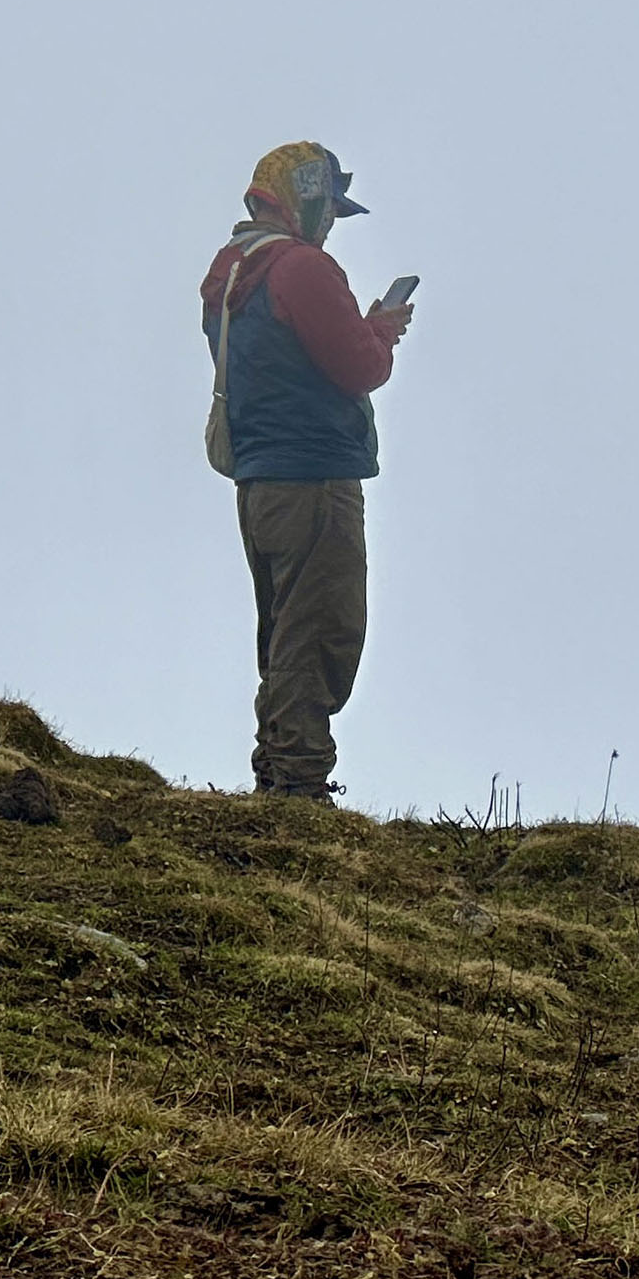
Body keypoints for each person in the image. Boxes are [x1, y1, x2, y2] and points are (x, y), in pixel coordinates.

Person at [199, 142, 412, 798]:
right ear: (308, 197)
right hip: (315, 479)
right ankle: (297, 784)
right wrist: (379, 332)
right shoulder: (302, 269)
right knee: (321, 628)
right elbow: (359, 368)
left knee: (287, 624)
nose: (329, 225)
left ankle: (281, 772)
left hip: (260, 480)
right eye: (329, 209)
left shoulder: (232, 269)